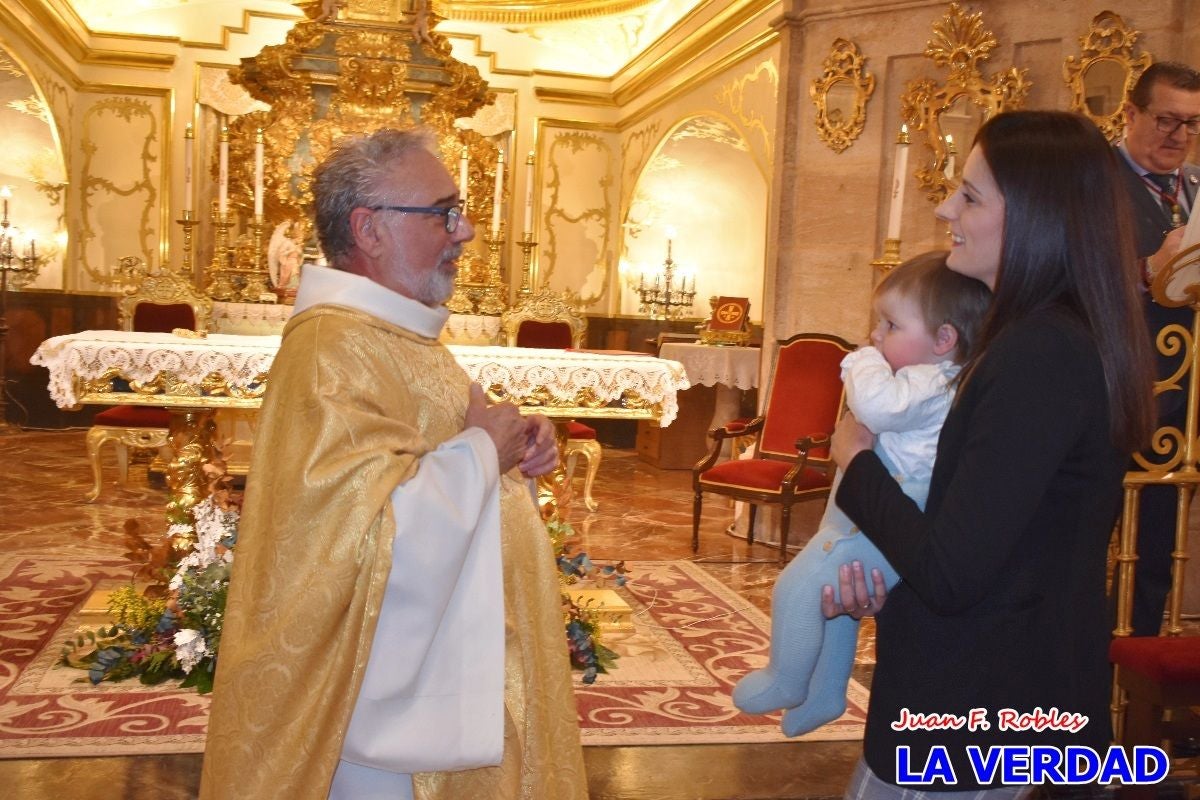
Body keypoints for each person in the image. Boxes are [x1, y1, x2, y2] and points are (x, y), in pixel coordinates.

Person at [199, 128, 588, 800]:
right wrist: (479, 453)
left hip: (433, 688)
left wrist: (514, 446)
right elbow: (353, 541)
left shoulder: (395, 330)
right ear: (369, 230)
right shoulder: (330, 348)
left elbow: (440, 441)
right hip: (384, 727)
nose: (463, 232)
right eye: (443, 212)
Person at [827, 111, 1155, 796]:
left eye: (971, 196)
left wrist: (854, 460)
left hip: (983, 714)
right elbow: (998, 540)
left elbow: (952, 572)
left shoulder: (1041, 352)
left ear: (1038, 216)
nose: (947, 207)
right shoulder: (1048, 337)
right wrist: (887, 583)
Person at [732, 252, 990, 737]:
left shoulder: (931, 379)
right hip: (875, 500)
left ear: (943, 339)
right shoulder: (928, 375)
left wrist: (859, 361)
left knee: (799, 587)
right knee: (836, 600)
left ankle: (785, 679)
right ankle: (827, 695)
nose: (875, 336)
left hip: (896, 504)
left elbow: (875, 407)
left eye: (890, 325)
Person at [1115, 61, 1200, 636]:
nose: (1180, 135)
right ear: (1130, 114)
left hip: (1185, 406)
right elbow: (1063, 274)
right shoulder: (1091, 181)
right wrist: (1148, 268)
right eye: (1167, 120)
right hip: (1115, 389)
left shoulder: (1196, 189)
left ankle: (1136, 693)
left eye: (1193, 123)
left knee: (1156, 555)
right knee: (1086, 545)